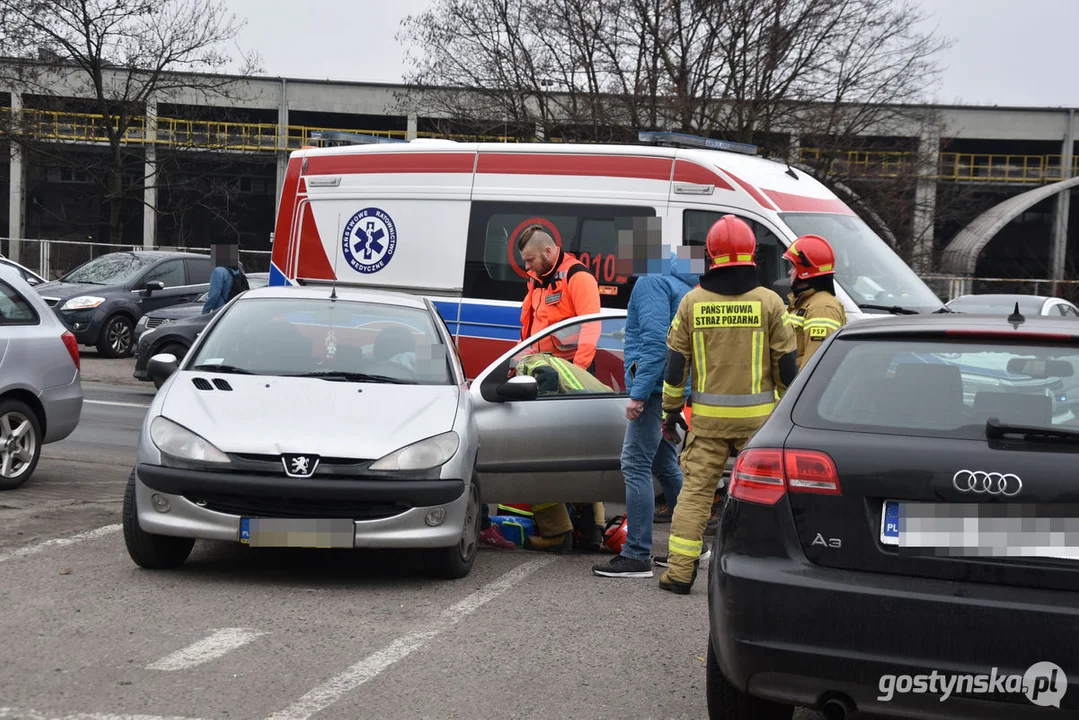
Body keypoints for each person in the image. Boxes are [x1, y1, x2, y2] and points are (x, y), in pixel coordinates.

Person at [658, 215, 798, 595]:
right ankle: (768, 577)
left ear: (711, 256)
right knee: (766, 497)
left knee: (695, 496)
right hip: (760, 424)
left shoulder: (692, 302)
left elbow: (675, 365)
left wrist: (670, 413)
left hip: (707, 425)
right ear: (752, 254)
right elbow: (786, 364)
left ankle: (680, 574)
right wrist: (790, 414)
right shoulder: (770, 302)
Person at [592, 246, 701, 579]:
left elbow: (656, 342)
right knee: (664, 463)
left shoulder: (650, 282)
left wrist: (638, 395)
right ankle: (692, 544)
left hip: (652, 388)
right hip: (670, 386)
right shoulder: (681, 284)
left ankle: (636, 554)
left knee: (634, 463)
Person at [515, 224, 606, 552]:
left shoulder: (577, 277)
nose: (526, 266)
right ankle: (583, 528)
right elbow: (531, 333)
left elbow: (590, 329)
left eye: (530, 260)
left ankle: (568, 529)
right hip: (543, 378)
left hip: (568, 380)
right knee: (572, 453)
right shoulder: (537, 282)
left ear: (549, 252)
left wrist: (577, 377)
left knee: (539, 452)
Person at [783, 234, 847, 371]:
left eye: (793, 266)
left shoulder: (822, 308)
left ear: (804, 271)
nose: (789, 272)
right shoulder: (805, 303)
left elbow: (815, 367)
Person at [202, 243, 248, 314]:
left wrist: (205, 312)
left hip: (222, 310)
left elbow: (213, 295)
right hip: (236, 308)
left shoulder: (218, 271)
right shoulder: (238, 270)